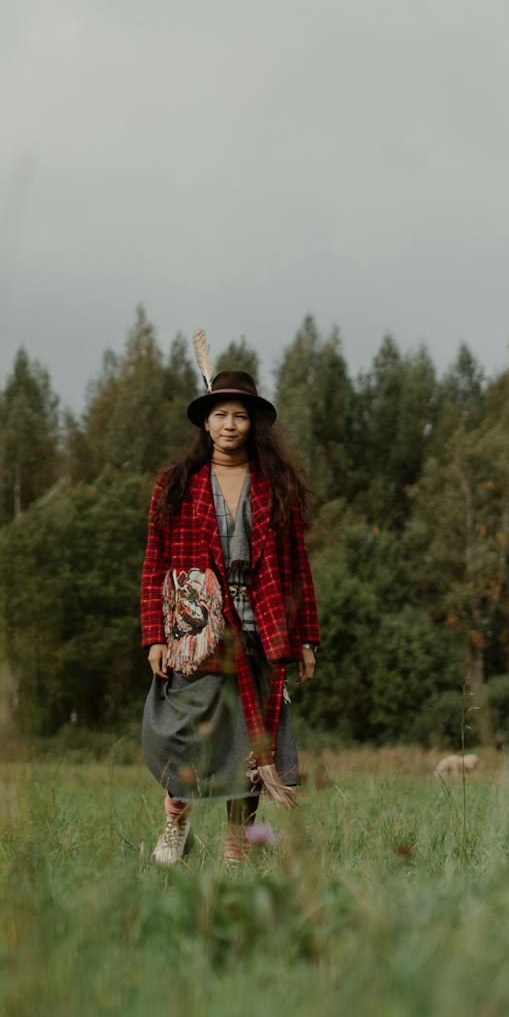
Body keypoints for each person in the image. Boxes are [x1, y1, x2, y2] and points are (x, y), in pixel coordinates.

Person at [139, 370, 320, 866]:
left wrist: (306, 639)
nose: (229, 424)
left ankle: (237, 845)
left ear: (253, 423)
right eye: (220, 414)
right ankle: (175, 822)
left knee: (250, 738)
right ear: (205, 422)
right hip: (196, 628)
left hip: (264, 623)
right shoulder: (175, 485)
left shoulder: (275, 485)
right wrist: (154, 635)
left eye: (240, 415)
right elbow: (155, 559)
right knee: (185, 731)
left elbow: (297, 566)